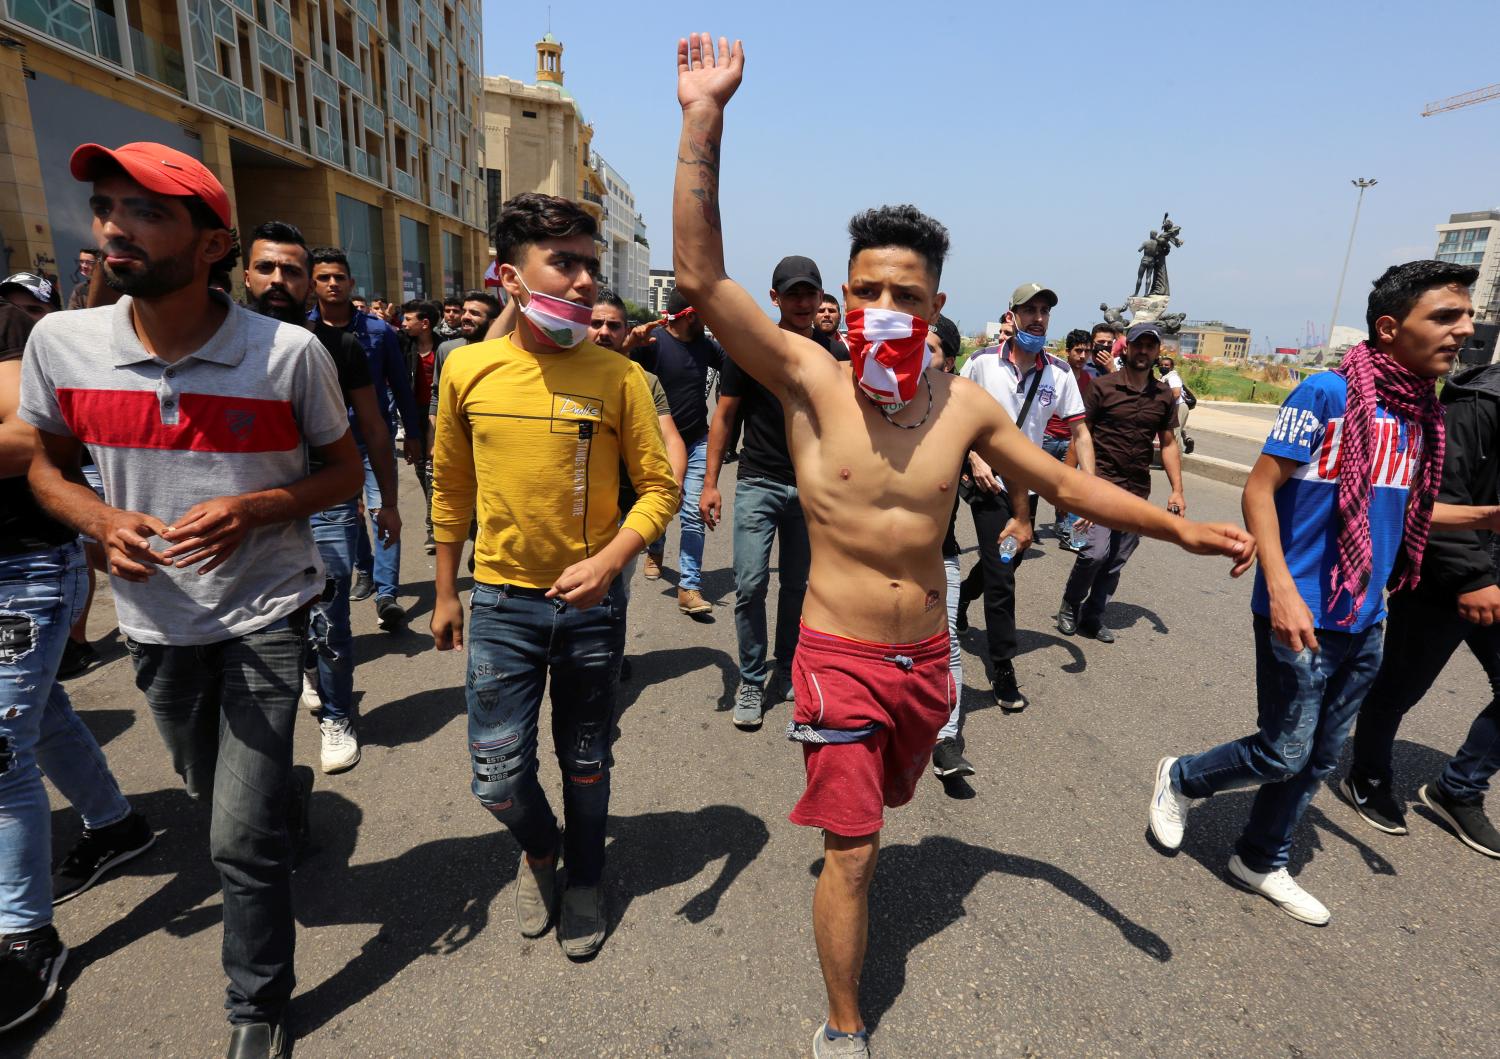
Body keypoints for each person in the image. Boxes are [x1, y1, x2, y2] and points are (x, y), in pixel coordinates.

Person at [671, 34, 1253, 1054]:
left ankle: (859, 857)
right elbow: (703, 277)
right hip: (837, 660)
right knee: (854, 851)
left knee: (889, 810)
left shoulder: (971, 405)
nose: (881, 310)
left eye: (903, 294)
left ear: (936, 305)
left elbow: (1067, 482)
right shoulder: (807, 379)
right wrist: (703, 119)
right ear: (844, 301)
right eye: (865, 292)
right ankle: (845, 1025)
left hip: (925, 666)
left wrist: (1177, 526)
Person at [23, 140, 362, 1057]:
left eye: (146, 211)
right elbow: (42, 468)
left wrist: (256, 507)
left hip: (264, 612)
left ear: (213, 245)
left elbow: (343, 471)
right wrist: (97, 518)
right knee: (213, 794)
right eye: (106, 207)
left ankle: (255, 1005)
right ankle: (282, 801)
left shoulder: (286, 353)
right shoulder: (59, 343)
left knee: (238, 842)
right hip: (153, 624)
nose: (114, 228)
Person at [1148, 260, 1500, 925]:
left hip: (1366, 615)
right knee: (1285, 747)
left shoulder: (1420, 414)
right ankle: (1182, 777)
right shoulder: (1326, 394)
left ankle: (1260, 855)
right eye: (1446, 316)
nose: (1465, 328)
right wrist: (1278, 587)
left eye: (1468, 316)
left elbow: (1407, 509)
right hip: (1300, 604)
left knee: (1319, 756)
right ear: (1392, 328)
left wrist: (1484, 516)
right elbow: (1260, 488)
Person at [430, 193, 678, 960]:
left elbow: (660, 487)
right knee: (496, 776)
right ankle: (540, 850)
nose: (581, 282)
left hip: (589, 610)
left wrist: (610, 563)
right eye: (563, 264)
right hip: (502, 602)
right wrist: (445, 590)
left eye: (589, 267)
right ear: (510, 275)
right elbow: (450, 486)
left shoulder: (619, 376)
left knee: (586, 758)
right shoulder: (466, 369)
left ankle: (586, 876)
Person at [0, 298, 155, 1034]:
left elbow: (33, 440)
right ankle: (116, 824)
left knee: (2, 749)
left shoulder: (14, 328)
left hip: (22, 570)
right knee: (39, 718)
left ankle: (25, 936)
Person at [243, 220, 400, 774]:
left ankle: (337, 715)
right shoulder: (222, 337)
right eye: (266, 268)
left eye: (292, 271)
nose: (279, 280)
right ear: (245, 275)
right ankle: (306, 678)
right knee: (273, 623)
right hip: (251, 506)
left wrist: (390, 502)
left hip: (328, 500)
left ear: (309, 283)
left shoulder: (342, 344)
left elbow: (375, 427)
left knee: (330, 615)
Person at [1343, 356, 1500, 856]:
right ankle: (1366, 774)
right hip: (1442, 579)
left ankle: (1458, 789)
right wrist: (1472, 576)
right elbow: (1429, 497)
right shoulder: (1478, 405)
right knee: (1397, 689)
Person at [701, 255, 841, 730]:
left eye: (811, 293)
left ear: (822, 297)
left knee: (799, 587)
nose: (804, 303)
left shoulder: (836, 355)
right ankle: (751, 677)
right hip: (758, 482)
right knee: (750, 584)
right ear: (775, 298)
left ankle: (787, 668)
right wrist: (709, 483)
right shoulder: (750, 350)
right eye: (793, 294)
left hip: (813, 490)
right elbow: (724, 416)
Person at [957, 283, 1092, 711]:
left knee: (1006, 560)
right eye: (1028, 309)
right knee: (1003, 574)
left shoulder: (1059, 373)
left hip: (1026, 488)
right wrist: (973, 457)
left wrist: (1088, 485)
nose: (1037, 317)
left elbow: (1080, 431)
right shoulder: (981, 364)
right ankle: (1002, 665)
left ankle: (961, 596)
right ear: (1011, 316)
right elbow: (950, 414)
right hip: (985, 481)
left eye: (1044, 311)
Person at [309, 250, 422, 627]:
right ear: (313, 284)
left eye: (339, 277)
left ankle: (387, 594)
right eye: (324, 277)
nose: (332, 283)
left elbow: (401, 388)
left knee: (383, 511)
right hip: (325, 446)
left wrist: (414, 434)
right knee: (345, 517)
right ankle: (364, 568)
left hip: (375, 439)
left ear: (350, 283)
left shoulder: (379, 332)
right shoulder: (301, 332)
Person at [1056, 321, 1183, 643]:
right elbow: (1079, 436)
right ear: (1126, 348)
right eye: (1138, 344)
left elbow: (1168, 444)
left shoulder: (1163, 395)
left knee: (1115, 561)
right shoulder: (1103, 388)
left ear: (1157, 352)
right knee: (1094, 554)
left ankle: (1093, 616)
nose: (1143, 351)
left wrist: (1177, 490)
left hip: (1136, 492)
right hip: (1099, 485)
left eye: (1149, 346)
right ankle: (1070, 604)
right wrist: (1069, 486)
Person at [591, 291, 689, 680]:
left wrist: (674, 488)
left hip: (625, 509)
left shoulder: (645, 382)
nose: (603, 332)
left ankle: (608, 660)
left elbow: (671, 438)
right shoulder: (558, 372)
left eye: (613, 325)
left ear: (625, 332)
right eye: (596, 323)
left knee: (616, 589)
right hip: (568, 508)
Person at [629, 288, 721, 615]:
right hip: (658, 443)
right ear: (690, 315)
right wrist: (629, 344)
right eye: (705, 314)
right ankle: (655, 548)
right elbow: (616, 371)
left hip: (697, 441)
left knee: (694, 515)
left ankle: (689, 586)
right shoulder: (653, 344)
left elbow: (736, 365)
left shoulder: (705, 345)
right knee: (662, 505)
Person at [927, 315, 975, 779]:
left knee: (948, 644)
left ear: (950, 362)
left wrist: (1021, 517)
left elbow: (1034, 471)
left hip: (940, 554)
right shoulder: (872, 401)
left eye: (931, 348)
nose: (919, 355)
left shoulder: (964, 414)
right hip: (878, 562)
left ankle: (946, 738)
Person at [1043, 328, 1095, 549]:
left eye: (1087, 352)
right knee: (1035, 486)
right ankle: (1026, 521)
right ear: (1068, 351)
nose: (1082, 356)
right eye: (1078, 351)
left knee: (1072, 487)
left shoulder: (1088, 380)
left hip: (1071, 440)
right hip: (1046, 438)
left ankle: (1067, 530)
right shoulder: (1055, 375)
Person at [401, 299, 441, 554]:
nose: (403, 324)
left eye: (408, 319)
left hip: (439, 417)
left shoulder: (446, 348)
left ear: (424, 323)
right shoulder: (403, 347)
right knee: (421, 470)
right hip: (414, 418)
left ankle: (433, 527)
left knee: (432, 471)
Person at [1156, 353, 1194, 454]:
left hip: (1178, 407)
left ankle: (1178, 460)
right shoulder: (1164, 377)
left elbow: (1176, 394)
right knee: (1172, 433)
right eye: (1162, 365)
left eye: (1166, 365)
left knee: (1175, 435)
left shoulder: (1173, 377)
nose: (1163, 367)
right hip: (1173, 407)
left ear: (1171, 367)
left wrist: (1164, 404)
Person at [815, 292, 850, 358]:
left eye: (831, 311)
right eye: (821, 311)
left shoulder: (851, 348)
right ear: (812, 315)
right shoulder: (799, 345)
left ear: (839, 317)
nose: (827, 314)